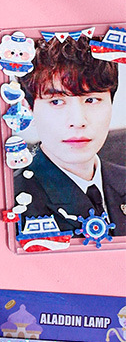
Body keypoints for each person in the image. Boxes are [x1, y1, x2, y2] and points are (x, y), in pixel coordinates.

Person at [14, 35, 126, 236]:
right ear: (28, 108)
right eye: (56, 101)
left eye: (91, 100)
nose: (78, 121)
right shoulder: (13, 198)